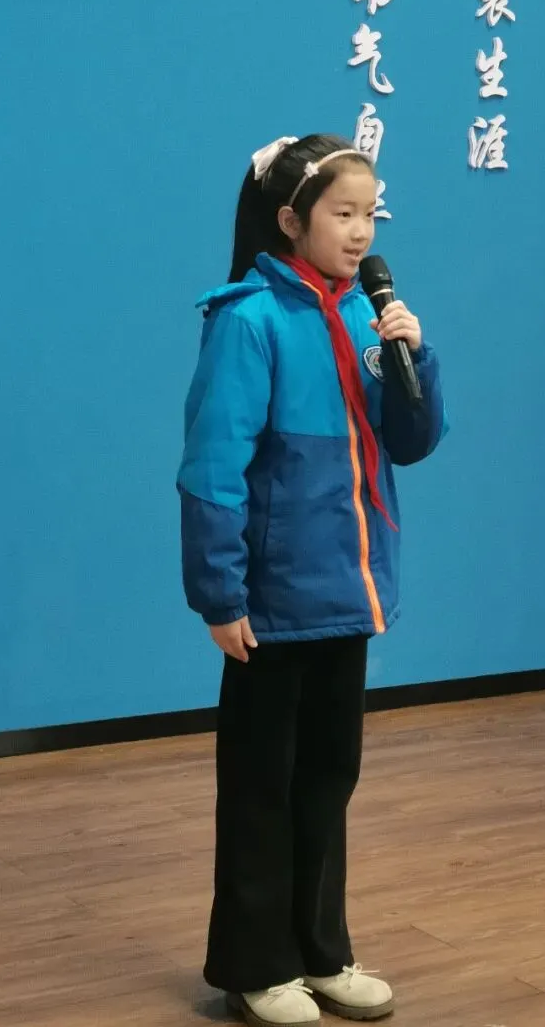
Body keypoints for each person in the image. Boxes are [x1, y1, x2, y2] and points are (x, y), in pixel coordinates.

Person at [177, 133, 446, 1027]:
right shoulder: (249, 319)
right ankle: (257, 966)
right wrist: (220, 593)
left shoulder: (371, 316)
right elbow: (212, 468)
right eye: (343, 213)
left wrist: (416, 357)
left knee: (329, 781)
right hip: (272, 605)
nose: (362, 231)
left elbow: (411, 442)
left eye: (371, 213)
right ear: (291, 220)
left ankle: (322, 952)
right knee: (263, 790)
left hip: (347, 596)